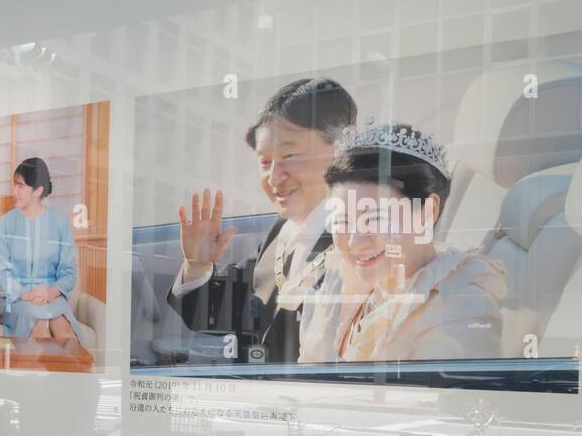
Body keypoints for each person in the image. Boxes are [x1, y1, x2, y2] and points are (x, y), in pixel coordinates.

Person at [169, 78, 358, 363]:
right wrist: (197, 265)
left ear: (341, 146)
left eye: (289, 155)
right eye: (265, 162)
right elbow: (230, 314)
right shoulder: (281, 230)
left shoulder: (364, 237)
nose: (273, 179)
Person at [324, 121, 506, 361]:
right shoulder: (359, 283)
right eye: (342, 221)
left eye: (375, 219)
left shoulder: (460, 311)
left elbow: (433, 398)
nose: (355, 242)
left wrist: (321, 361)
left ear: (427, 212)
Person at [0, 157, 82, 345]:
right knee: (40, 324)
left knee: (61, 325)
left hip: (52, 297)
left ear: (38, 191)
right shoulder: (6, 222)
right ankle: (41, 372)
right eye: (14, 185)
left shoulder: (60, 221)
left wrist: (50, 292)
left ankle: (74, 372)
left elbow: (68, 272)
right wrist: (26, 294)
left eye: (20, 186)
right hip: (18, 299)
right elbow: (2, 273)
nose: (14, 191)